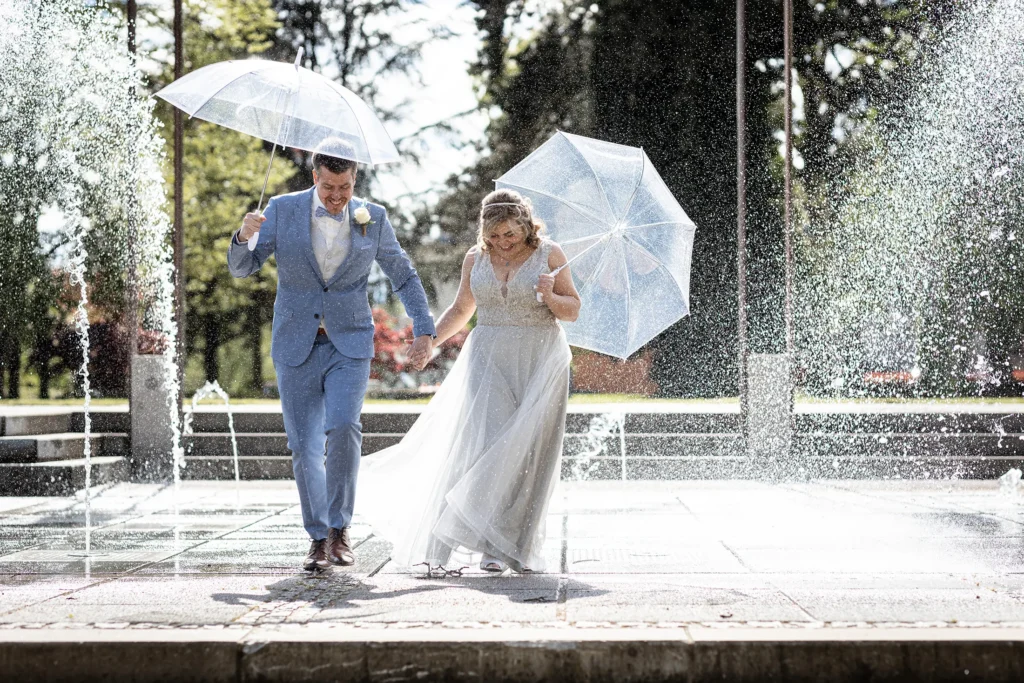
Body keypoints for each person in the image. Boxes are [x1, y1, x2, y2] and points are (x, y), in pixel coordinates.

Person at [227, 138, 435, 572]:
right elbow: (244, 268)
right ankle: (317, 538)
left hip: (350, 343)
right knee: (304, 446)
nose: (338, 198)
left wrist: (425, 328)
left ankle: (340, 530)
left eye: (345, 188)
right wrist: (244, 236)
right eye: (329, 189)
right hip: (295, 342)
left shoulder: (372, 217)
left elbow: (402, 272)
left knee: (343, 427)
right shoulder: (282, 209)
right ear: (314, 176)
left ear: (354, 179)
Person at [359, 189, 581, 573]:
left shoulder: (551, 254)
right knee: (488, 444)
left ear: (526, 226)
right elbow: (463, 308)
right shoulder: (475, 257)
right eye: (494, 236)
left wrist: (550, 296)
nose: (502, 243)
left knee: (529, 453)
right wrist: (428, 341)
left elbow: (573, 310)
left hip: (541, 357)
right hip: (488, 355)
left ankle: (509, 547)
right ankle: (479, 535)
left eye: (509, 235)